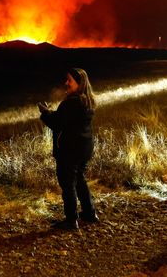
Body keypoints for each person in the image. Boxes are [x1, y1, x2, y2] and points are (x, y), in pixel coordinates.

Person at [38, 68, 99, 230]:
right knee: (79, 179)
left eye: (69, 80)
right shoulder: (88, 101)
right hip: (84, 147)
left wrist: (45, 113)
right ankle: (89, 213)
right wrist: (53, 114)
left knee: (68, 183)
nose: (66, 83)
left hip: (70, 149)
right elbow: (67, 121)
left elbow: (57, 123)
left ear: (79, 83)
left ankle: (71, 220)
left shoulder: (71, 103)